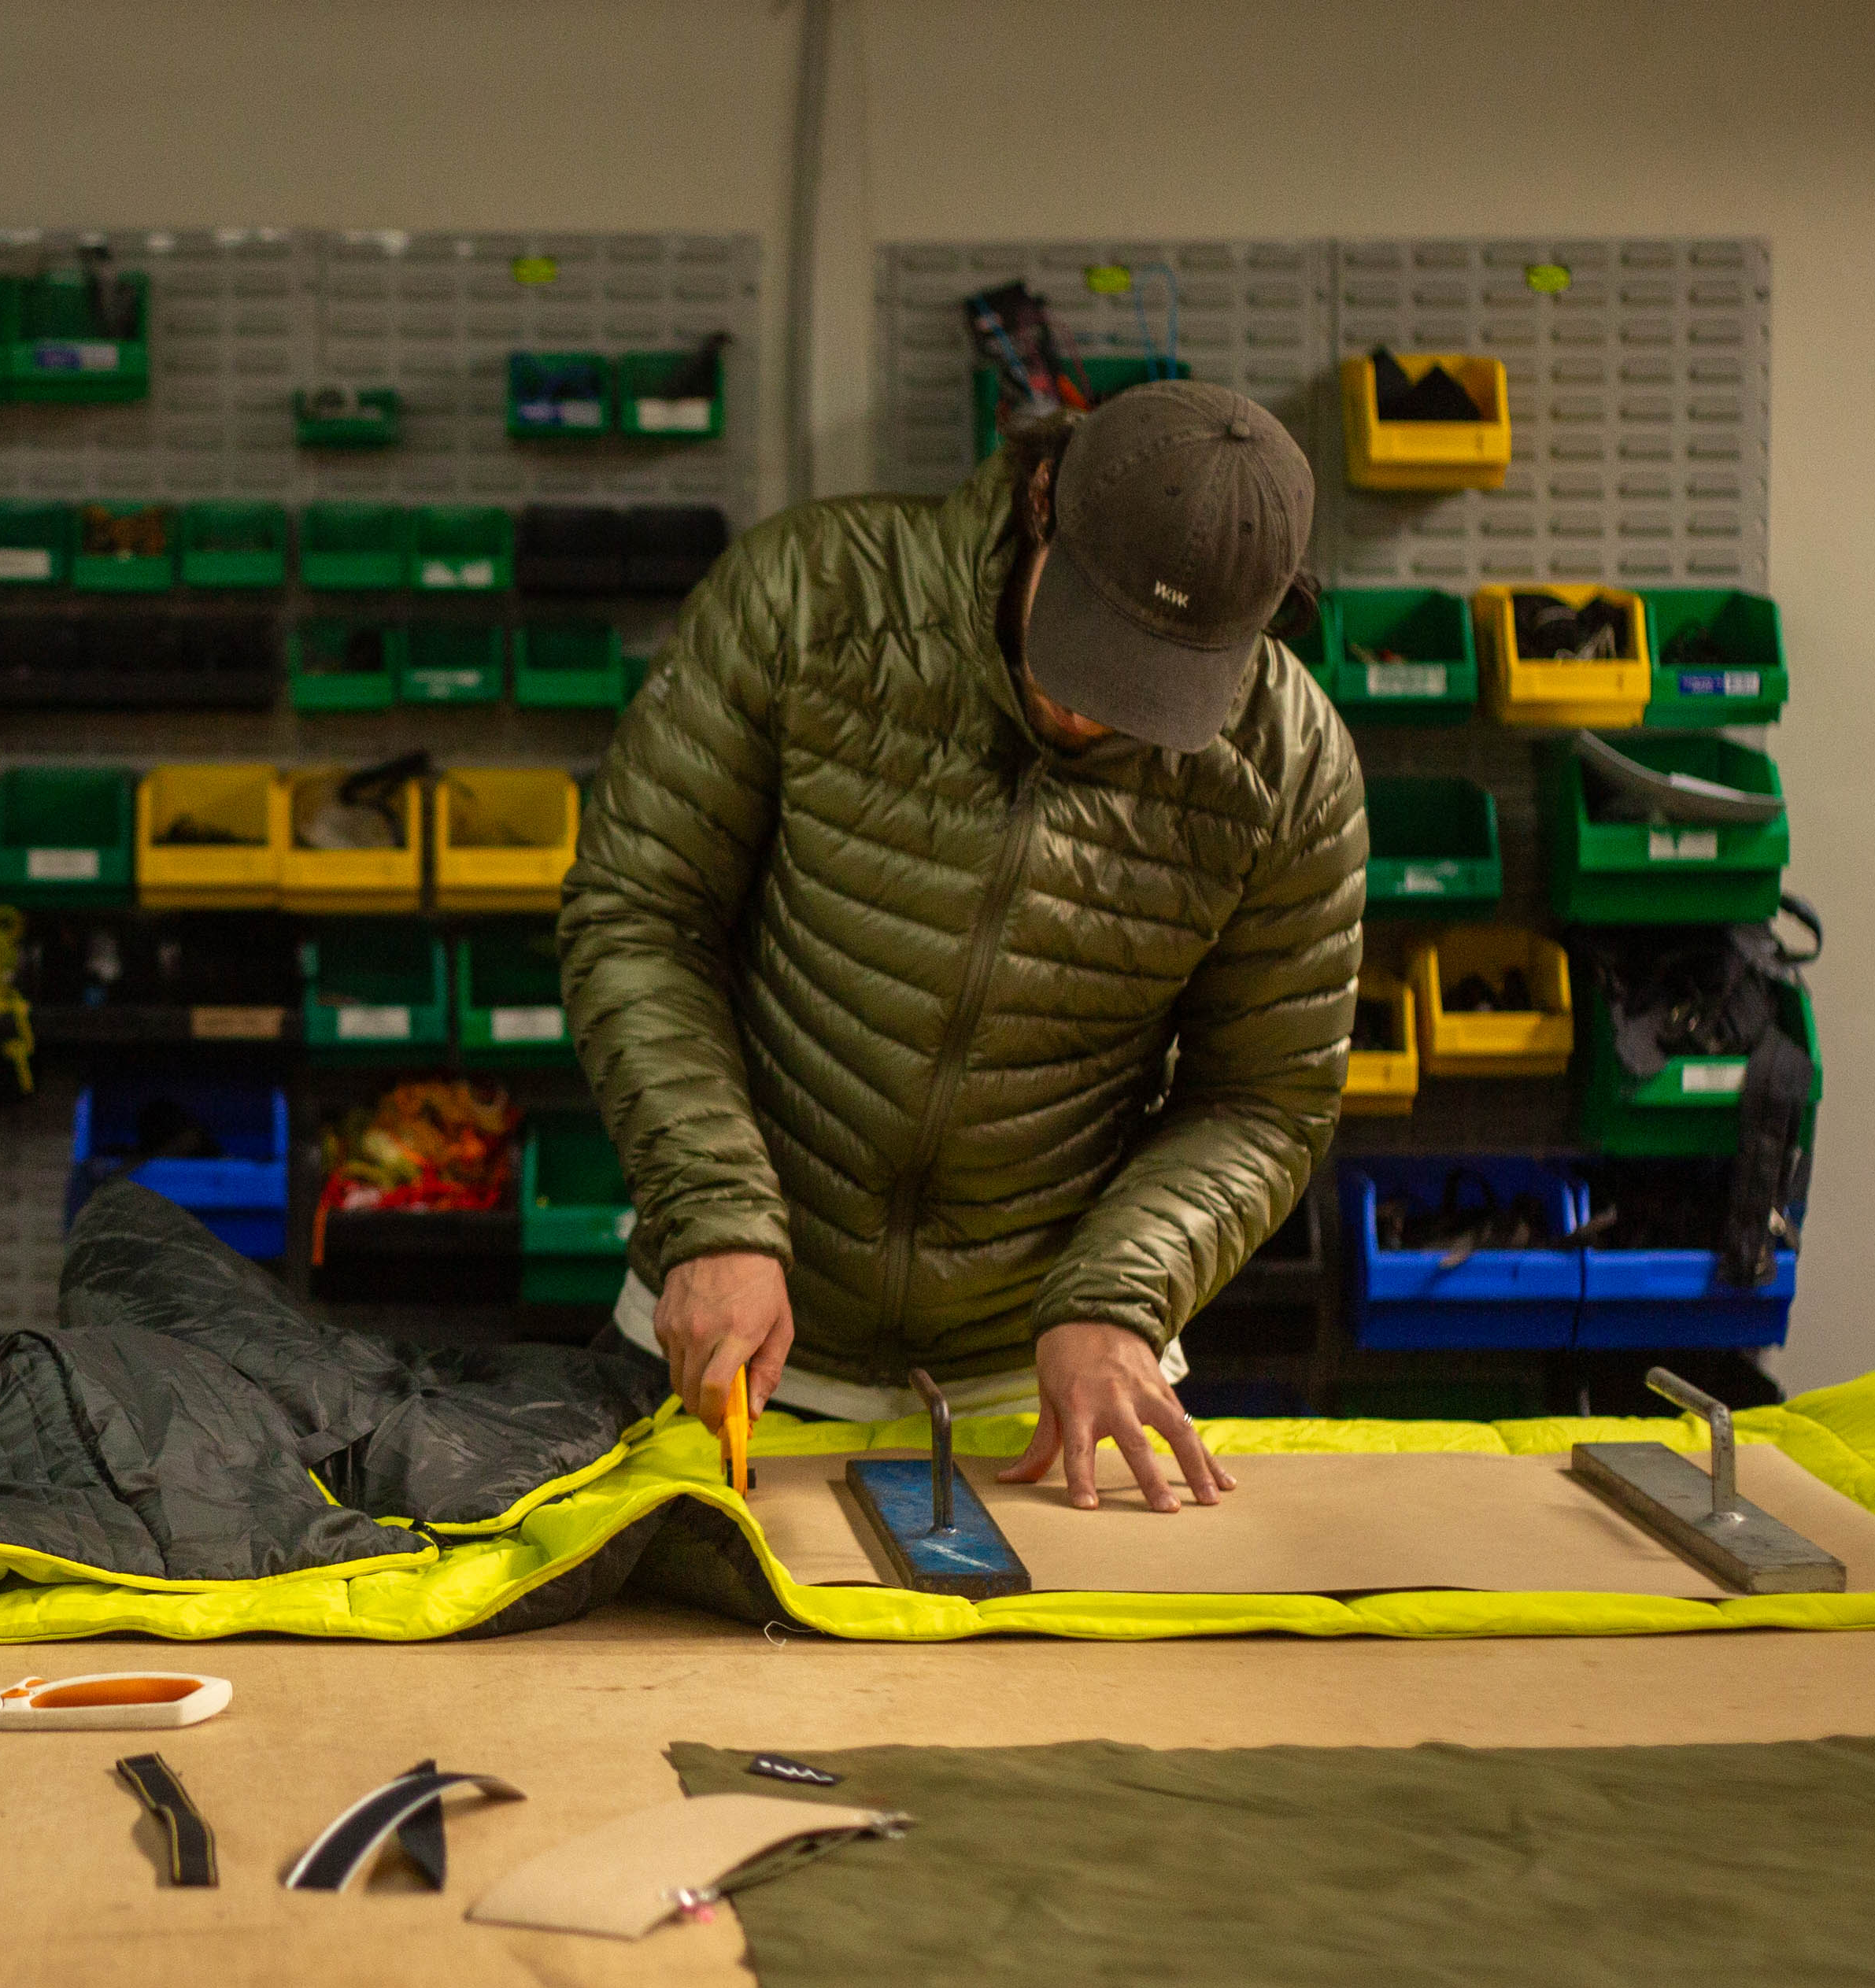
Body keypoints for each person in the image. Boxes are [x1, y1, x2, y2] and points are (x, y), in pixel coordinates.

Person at [558, 380, 1364, 1515]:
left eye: (1150, 685)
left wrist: (1120, 1296)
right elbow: (640, 911)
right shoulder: (811, 599)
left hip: (1048, 1380)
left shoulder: (1289, 768)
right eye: (1081, 646)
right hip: (728, 1329)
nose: (1090, 711)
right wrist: (713, 1215)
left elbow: (1264, 1099)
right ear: (1041, 502)